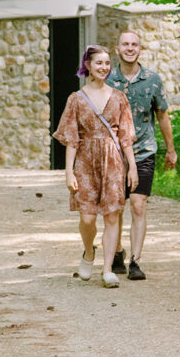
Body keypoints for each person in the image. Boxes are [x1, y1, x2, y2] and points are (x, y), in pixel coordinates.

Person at [53, 45, 139, 288]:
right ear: (87, 66)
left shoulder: (119, 97)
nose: (103, 67)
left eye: (106, 63)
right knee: (88, 218)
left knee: (113, 216)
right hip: (85, 161)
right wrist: (69, 172)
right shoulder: (76, 99)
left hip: (113, 161)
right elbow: (71, 138)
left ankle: (108, 269)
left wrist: (132, 167)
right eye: (98, 63)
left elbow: (126, 137)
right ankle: (89, 252)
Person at [106, 31, 177, 281]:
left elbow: (162, 115)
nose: (130, 48)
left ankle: (136, 261)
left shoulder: (152, 80)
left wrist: (170, 149)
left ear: (140, 49)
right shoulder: (106, 78)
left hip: (144, 151)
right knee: (115, 209)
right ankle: (116, 252)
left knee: (138, 204)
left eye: (134, 44)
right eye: (125, 44)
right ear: (117, 49)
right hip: (113, 153)